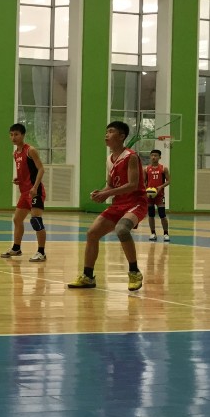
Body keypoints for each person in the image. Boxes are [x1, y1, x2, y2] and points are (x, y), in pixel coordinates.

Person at [68, 121, 148, 291]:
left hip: (136, 203)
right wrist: (101, 192)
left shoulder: (131, 157)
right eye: (106, 131)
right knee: (92, 233)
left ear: (121, 137)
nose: (106, 135)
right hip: (118, 203)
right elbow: (111, 185)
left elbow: (133, 185)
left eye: (111, 131)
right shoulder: (109, 159)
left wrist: (107, 194)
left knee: (122, 229)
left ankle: (134, 272)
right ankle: (88, 276)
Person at [2, 124, 46, 262]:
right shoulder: (15, 153)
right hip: (24, 192)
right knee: (17, 220)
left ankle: (41, 252)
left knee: (36, 221)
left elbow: (41, 169)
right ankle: (16, 248)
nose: (13, 137)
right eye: (11, 134)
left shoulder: (30, 150)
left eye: (16, 134)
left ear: (23, 135)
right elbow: (26, 171)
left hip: (35, 191)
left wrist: (35, 187)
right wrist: (19, 180)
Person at [145, 149, 171, 242]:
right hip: (150, 196)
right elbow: (144, 182)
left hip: (160, 196)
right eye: (152, 155)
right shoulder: (146, 169)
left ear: (159, 157)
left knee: (162, 215)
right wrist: (145, 190)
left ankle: (166, 233)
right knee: (151, 215)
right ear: (150, 156)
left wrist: (161, 187)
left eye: (155, 155)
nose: (153, 157)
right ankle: (153, 233)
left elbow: (168, 181)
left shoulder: (163, 168)